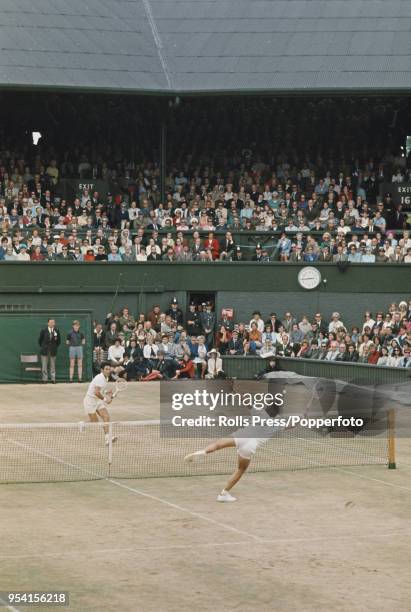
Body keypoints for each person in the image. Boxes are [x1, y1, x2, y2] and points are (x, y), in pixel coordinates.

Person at [83, 362, 117, 446]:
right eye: (106, 369)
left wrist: (106, 392)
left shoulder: (106, 378)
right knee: (95, 422)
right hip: (90, 401)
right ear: (102, 370)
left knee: (106, 417)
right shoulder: (100, 378)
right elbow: (96, 392)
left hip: (97, 401)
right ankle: (83, 424)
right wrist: (105, 399)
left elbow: (99, 389)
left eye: (109, 369)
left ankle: (107, 438)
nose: (108, 371)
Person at [38, 318, 61, 383]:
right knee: (44, 365)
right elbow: (40, 340)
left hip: (53, 350)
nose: (52, 323)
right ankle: (45, 379)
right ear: (48, 323)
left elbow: (59, 341)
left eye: (53, 322)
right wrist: (43, 347)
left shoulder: (57, 330)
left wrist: (54, 347)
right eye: (50, 322)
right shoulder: (43, 330)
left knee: (52, 365)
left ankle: (53, 379)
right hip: (44, 350)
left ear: (54, 323)